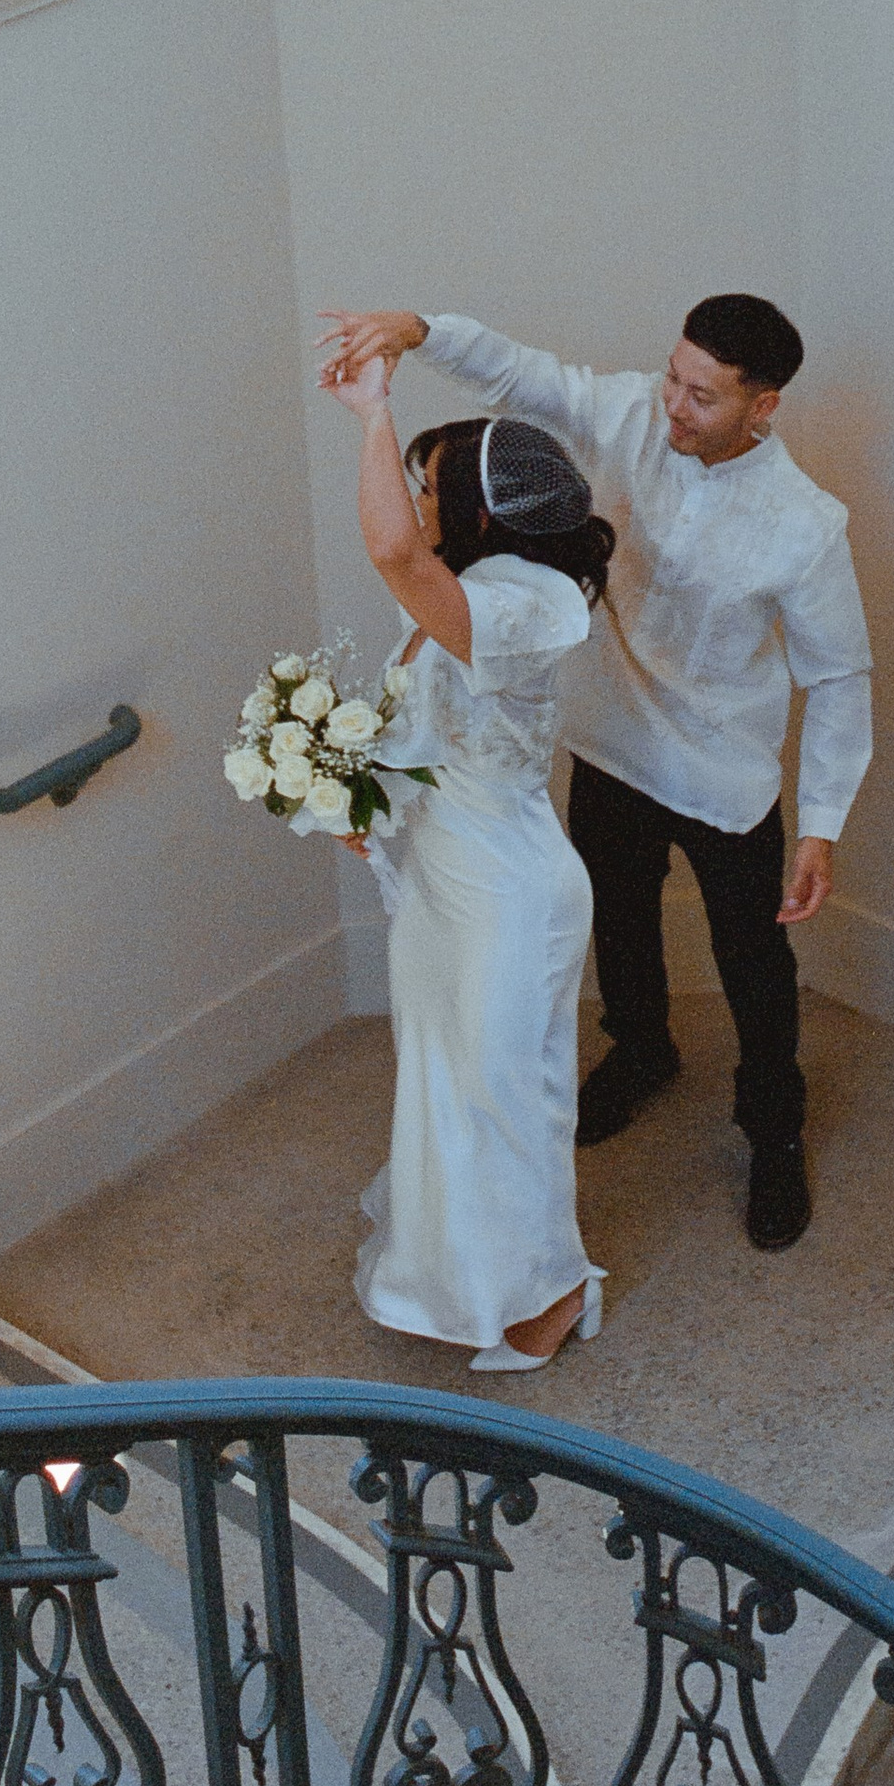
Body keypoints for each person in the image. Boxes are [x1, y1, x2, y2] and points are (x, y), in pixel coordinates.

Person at [316, 294, 870, 1252]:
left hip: (724, 774)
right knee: (619, 913)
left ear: (763, 406)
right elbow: (526, 374)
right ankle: (643, 1047)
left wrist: (820, 821)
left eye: (702, 396)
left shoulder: (807, 526)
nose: (673, 406)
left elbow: (839, 673)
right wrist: (420, 333)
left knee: (754, 966)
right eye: (673, 376)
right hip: (612, 742)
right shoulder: (630, 413)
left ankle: (773, 1130)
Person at [321, 338, 617, 1372]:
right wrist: (354, 793)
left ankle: (553, 1285)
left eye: (428, 486)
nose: (417, 503)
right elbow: (428, 738)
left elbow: (392, 555)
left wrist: (371, 415)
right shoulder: (462, 592)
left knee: (509, 1098)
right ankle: (456, 1271)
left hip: (509, 891)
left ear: (482, 511)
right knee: (446, 1082)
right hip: (441, 886)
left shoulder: (532, 604)